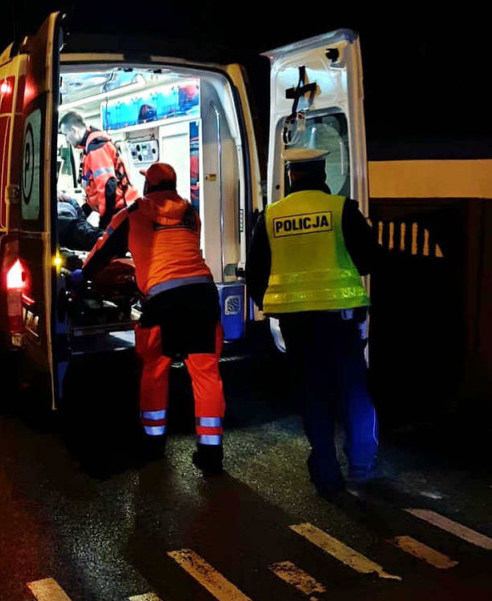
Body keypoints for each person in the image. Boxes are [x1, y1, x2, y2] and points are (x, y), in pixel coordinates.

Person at [245, 148, 381, 497]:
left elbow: (256, 274)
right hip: (341, 319)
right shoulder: (341, 209)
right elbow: (368, 260)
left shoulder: (272, 216)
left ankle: (326, 473)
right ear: (323, 173)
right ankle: (362, 465)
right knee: (354, 392)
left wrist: (273, 306)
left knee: (313, 396)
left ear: (291, 176)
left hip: (297, 325)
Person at [81, 162, 226, 473]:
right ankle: (211, 453)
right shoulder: (190, 214)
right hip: (202, 294)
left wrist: (82, 275)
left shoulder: (133, 213)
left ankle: (153, 444)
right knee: (206, 374)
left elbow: (102, 250)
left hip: (162, 300)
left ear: (148, 186)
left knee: (154, 369)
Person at [58, 111, 139, 229]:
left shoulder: (96, 148)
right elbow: (94, 189)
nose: (67, 140)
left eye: (66, 135)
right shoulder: (89, 151)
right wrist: (84, 211)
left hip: (122, 211)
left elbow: (108, 186)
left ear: (74, 130)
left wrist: (104, 225)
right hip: (119, 210)